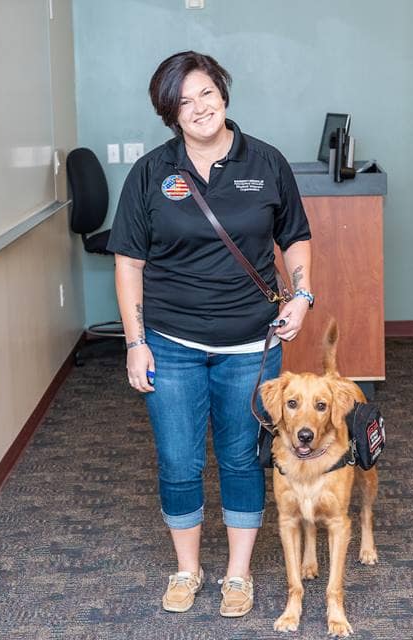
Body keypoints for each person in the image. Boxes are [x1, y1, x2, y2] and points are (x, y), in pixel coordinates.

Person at [106, 50, 314, 617]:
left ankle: (238, 576)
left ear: (224, 95)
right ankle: (187, 569)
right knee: (178, 461)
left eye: (207, 94)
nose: (198, 108)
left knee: (243, 459)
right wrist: (135, 341)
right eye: (183, 101)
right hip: (171, 343)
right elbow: (128, 262)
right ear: (169, 114)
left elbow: (294, 235)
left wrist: (301, 293)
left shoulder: (266, 162)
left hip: (251, 344)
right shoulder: (152, 172)